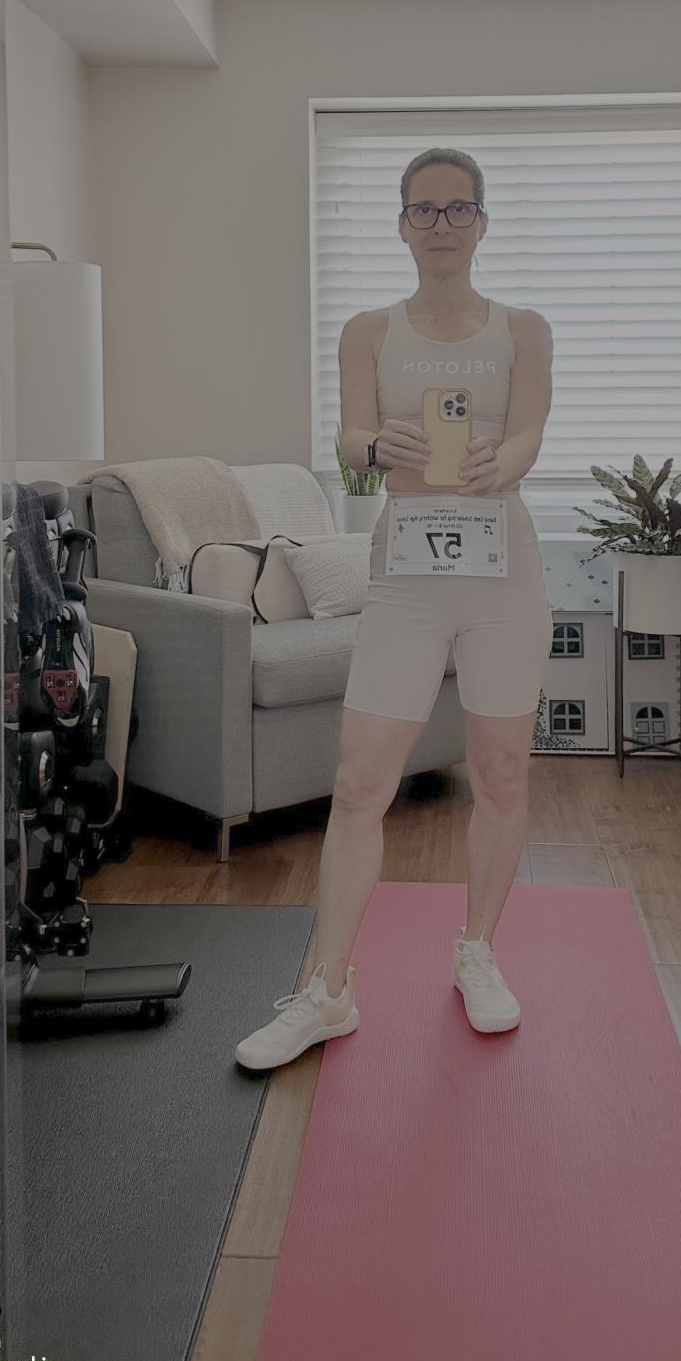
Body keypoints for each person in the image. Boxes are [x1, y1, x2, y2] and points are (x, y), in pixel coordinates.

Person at [235, 147, 554, 1072]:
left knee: (502, 772)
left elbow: (531, 430)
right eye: (424, 209)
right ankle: (328, 989)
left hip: (504, 572)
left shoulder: (524, 329)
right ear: (402, 224)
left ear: (483, 222)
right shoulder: (369, 331)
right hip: (407, 573)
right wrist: (377, 445)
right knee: (360, 780)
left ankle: (477, 949)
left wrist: (503, 461)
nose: (441, 224)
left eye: (458, 209)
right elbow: (347, 442)